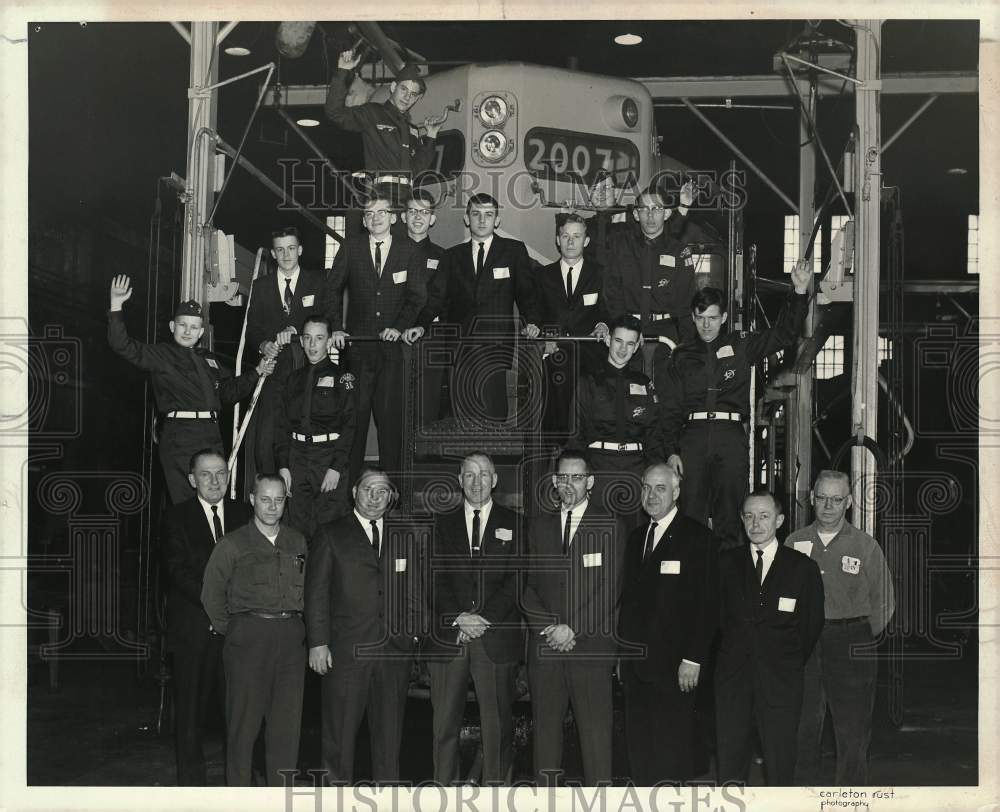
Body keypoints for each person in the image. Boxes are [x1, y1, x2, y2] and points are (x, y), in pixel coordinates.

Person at [660, 259, 812, 550]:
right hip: (692, 436)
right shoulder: (681, 356)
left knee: (729, 516)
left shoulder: (742, 345)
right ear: (693, 317)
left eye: (713, 318)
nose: (707, 325)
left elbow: (784, 334)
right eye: (701, 317)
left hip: (729, 436)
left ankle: (727, 585)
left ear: (724, 317)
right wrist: (672, 451)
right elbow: (671, 409)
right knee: (690, 515)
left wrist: (799, 292)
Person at [107, 274, 273, 504]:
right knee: (187, 506)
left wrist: (257, 372)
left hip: (211, 437)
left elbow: (228, 393)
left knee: (213, 504)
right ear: (172, 326)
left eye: (194, 327)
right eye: (183, 325)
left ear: (201, 332)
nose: (187, 331)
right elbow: (122, 346)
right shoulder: (161, 355)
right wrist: (116, 305)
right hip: (181, 439)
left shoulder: (208, 361)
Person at [305, 467, 423, 784]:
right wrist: (318, 643)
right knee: (339, 738)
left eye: (382, 491)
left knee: (389, 740)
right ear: (354, 492)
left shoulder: (404, 534)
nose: (374, 497)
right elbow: (316, 593)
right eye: (368, 489)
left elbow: (414, 590)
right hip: (346, 654)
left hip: (392, 655)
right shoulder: (331, 533)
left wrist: (410, 637)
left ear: (391, 498)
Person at [521, 450, 626, 786]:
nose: (569, 484)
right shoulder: (538, 526)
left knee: (597, 747)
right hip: (547, 651)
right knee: (546, 748)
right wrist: (549, 628)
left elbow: (611, 589)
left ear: (590, 482)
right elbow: (525, 587)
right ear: (554, 482)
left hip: (590, 652)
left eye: (577, 477)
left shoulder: (610, 525)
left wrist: (572, 629)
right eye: (563, 477)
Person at [786, 470, 896, 786]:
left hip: (851, 641)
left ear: (848, 502)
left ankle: (848, 799)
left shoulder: (864, 545)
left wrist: (858, 633)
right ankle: (800, 799)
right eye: (822, 498)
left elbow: (885, 600)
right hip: (805, 644)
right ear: (811, 499)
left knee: (852, 730)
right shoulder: (795, 542)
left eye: (836, 499)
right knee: (803, 726)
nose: (828, 506)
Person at [201, 474, 308, 787]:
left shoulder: (297, 541)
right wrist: (235, 630)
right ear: (252, 499)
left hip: (290, 640)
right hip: (248, 639)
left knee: (286, 732)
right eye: (265, 499)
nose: (272, 506)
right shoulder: (232, 544)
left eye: (279, 500)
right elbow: (211, 594)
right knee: (242, 731)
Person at [424, 452, 523, 784]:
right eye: (469, 475)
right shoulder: (441, 524)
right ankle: (443, 795)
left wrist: (483, 619)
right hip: (450, 638)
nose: (476, 482)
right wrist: (459, 618)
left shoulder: (516, 523)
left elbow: (518, 580)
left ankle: (496, 794)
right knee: (443, 729)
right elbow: (432, 579)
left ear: (495, 480)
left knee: (497, 729)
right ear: (459, 480)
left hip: (495, 640)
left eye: (483, 475)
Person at [715, 490, 824, 786]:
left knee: (780, 765)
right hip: (733, 682)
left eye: (764, 516)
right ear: (741, 519)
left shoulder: (802, 568)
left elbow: (810, 625)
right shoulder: (725, 565)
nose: (756, 523)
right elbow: (717, 620)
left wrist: (783, 660)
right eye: (749, 516)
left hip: (781, 683)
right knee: (730, 763)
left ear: (779, 520)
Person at [618, 463, 717, 785]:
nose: (651, 495)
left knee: (672, 754)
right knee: (640, 753)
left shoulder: (697, 537)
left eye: (660, 488)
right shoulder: (635, 538)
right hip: (636, 668)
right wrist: (623, 657)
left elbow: (707, 606)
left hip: (676, 668)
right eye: (646, 487)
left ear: (676, 492)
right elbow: (629, 605)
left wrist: (693, 658)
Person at [161, 449, 250, 785]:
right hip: (194, 630)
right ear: (191, 479)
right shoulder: (176, 517)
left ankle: (240, 785)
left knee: (239, 714)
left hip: (237, 632)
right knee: (190, 717)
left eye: (221, 474)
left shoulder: (245, 514)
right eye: (205, 474)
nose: (214, 481)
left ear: (229, 476)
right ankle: (191, 789)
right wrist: (217, 604)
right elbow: (177, 571)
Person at [325, 193, 426, 484]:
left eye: (382, 212)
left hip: (392, 354)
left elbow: (417, 297)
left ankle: (393, 494)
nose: (375, 218)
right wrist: (336, 327)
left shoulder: (410, 250)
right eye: (369, 214)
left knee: (391, 425)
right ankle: (349, 494)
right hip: (356, 352)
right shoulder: (351, 248)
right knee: (353, 422)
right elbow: (331, 290)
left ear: (393, 218)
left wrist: (399, 326)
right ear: (364, 221)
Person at [431, 194, 541, 422]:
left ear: (497, 221)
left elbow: (528, 292)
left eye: (488, 215)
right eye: (476, 214)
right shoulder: (452, 256)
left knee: (494, 408)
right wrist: (420, 325)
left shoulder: (513, 250)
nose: (482, 220)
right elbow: (436, 298)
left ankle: (493, 456)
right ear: (466, 219)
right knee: (463, 410)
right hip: (461, 345)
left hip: (497, 342)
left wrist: (532, 321)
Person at [245, 227, 328, 483]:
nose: (286, 254)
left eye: (291, 248)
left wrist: (298, 330)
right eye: (280, 250)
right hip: (273, 374)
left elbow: (327, 320)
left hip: (306, 369)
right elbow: (253, 329)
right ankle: (267, 489)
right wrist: (264, 345)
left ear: (300, 250)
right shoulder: (260, 287)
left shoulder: (318, 282)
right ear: (273, 253)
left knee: (303, 430)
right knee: (266, 437)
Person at [590, 183, 697, 380]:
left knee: (667, 399)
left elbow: (686, 303)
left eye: (656, 209)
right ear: (636, 215)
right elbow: (612, 294)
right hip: (628, 336)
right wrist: (625, 330)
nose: (650, 215)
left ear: (666, 214)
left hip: (667, 337)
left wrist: (688, 347)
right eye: (644, 209)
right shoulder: (620, 246)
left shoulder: (680, 252)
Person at [573, 314, 664, 525]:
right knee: (600, 537)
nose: (623, 350)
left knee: (636, 538)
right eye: (618, 341)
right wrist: (582, 476)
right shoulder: (588, 382)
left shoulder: (644, 383)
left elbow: (654, 433)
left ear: (636, 347)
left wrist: (653, 474)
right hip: (600, 468)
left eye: (630, 343)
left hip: (636, 470)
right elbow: (576, 433)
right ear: (607, 340)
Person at [275, 315, 357, 539]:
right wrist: (283, 465)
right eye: (308, 338)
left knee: (328, 529)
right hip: (297, 458)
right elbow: (282, 425)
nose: (312, 345)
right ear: (301, 341)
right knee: (296, 527)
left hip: (327, 457)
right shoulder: (293, 379)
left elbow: (350, 426)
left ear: (329, 341)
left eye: (319, 338)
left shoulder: (343, 378)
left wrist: (336, 467)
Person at [535, 214, 610, 441]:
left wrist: (603, 324)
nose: (570, 242)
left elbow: (608, 310)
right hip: (556, 352)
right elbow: (535, 314)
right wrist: (545, 339)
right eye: (565, 236)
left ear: (586, 241)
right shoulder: (541, 275)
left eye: (576, 236)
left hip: (591, 355)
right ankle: (555, 450)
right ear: (557, 239)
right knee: (555, 402)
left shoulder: (600, 273)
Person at [325, 48, 444, 182]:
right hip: (381, 194)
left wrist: (432, 135)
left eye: (413, 94)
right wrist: (343, 71)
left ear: (416, 99)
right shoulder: (373, 113)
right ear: (393, 87)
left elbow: (417, 168)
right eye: (403, 89)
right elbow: (335, 113)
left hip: (404, 195)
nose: (407, 97)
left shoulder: (412, 130)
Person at [401, 189, 450, 426]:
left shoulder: (443, 256)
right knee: (395, 407)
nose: (418, 217)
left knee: (427, 407)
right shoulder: (389, 254)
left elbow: (439, 297)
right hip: (395, 339)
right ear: (403, 217)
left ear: (432, 219)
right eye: (412, 211)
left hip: (431, 339)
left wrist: (420, 325)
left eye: (424, 212)